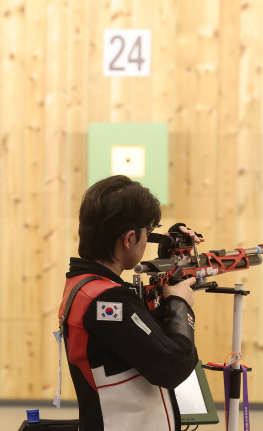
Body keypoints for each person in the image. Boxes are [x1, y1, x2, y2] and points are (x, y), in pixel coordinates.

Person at [58, 175, 202, 431]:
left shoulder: (84, 285)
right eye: (147, 233)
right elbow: (172, 366)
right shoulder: (107, 300)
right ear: (128, 239)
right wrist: (180, 303)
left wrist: (169, 257)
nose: (148, 240)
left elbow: (136, 335)